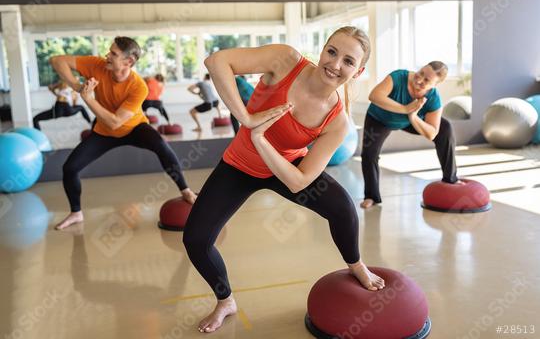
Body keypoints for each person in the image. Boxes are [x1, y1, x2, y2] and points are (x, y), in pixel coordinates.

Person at [182, 26, 385, 334]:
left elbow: (299, 181)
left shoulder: (338, 122)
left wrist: (262, 141)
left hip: (286, 166)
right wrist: (247, 120)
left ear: (357, 71)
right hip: (238, 165)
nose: (335, 64)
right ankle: (225, 300)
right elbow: (216, 62)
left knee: (343, 207)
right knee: (195, 239)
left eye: (348, 61)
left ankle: (356, 265)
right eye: (332, 52)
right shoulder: (285, 60)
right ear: (323, 49)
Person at [49, 36, 197, 230]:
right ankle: (76, 213)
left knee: (160, 145)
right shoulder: (96, 65)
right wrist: (77, 86)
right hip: (103, 131)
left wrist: (88, 98)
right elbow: (57, 60)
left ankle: (185, 190)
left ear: (128, 61)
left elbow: (115, 122)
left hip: (134, 128)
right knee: (70, 168)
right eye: (109, 51)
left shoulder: (138, 86)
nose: (107, 56)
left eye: (113, 54)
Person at [360, 62, 458, 209]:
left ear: (434, 86)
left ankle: (450, 181)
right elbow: (374, 95)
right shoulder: (399, 77)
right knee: (369, 154)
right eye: (421, 73)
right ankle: (371, 196)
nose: (419, 80)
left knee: (445, 128)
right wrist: (405, 108)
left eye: (426, 81)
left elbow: (431, 133)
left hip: (408, 121)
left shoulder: (433, 98)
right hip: (380, 119)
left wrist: (412, 116)